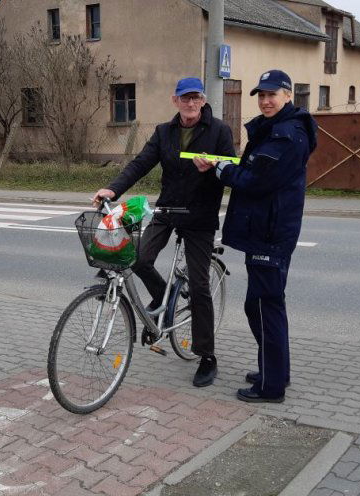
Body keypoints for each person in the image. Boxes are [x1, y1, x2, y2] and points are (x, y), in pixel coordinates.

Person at [92, 77, 236, 388]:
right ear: (175, 101)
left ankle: (206, 355)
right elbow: (141, 163)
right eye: (185, 98)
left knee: (199, 286)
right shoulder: (164, 132)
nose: (190, 103)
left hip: (200, 217)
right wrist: (113, 190)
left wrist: (213, 168)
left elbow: (231, 170)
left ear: (203, 100)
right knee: (139, 259)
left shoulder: (219, 131)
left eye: (196, 97)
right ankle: (165, 297)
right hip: (168, 209)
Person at [194, 69, 317, 402]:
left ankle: (271, 387)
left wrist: (221, 169)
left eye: (272, 94)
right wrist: (228, 164)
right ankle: (276, 371)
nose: (265, 100)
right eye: (261, 95)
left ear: (288, 95)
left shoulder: (286, 135)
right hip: (267, 230)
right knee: (264, 305)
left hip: (270, 233)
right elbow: (257, 169)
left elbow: (256, 180)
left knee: (264, 306)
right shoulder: (278, 129)